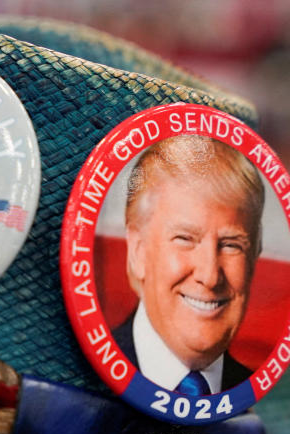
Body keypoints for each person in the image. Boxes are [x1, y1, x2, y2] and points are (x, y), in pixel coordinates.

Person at [113, 135, 265, 393]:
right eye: (185, 239)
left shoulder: (249, 392)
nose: (210, 276)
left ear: (254, 257)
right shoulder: (84, 371)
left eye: (231, 245)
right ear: (138, 251)